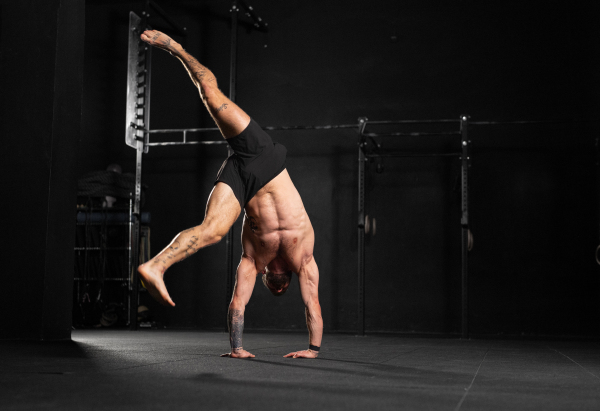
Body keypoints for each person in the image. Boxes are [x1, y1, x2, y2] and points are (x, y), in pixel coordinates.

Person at [137, 30, 322, 359]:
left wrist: (238, 348)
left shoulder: (253, 262)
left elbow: (240, 301)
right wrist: (314, 348)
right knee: (210, 92)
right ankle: (176, 48)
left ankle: (155, 266)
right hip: (262, 156)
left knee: (213, 231)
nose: (277, 287)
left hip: (241, 179)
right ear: (285, 280)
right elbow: (313, 305)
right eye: (281, 287)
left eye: (274, 288)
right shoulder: (303, 259)